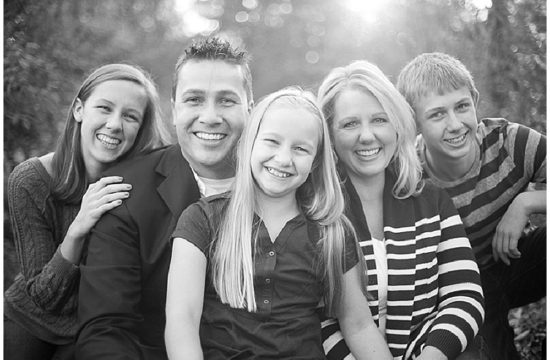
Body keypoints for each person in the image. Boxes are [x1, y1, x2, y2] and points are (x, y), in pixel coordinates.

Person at [165, 87, 392, 360]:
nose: (284, 159)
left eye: (300, 148)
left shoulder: (331, 233)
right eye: (272, 142)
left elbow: (359, 326)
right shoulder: (202, 220)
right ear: (250, 142)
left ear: (316, 161)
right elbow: (182, 322)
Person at [76, 37, 253, 360]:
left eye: (226, 101)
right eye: (194, 99)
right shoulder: (126, 191)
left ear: (249, 109)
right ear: (174, 110)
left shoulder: (284, 185)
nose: (210, 116)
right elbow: (105, 331)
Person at [317, 61, 485, 360]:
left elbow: (464, 295)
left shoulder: (430, 200)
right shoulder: (316, 211)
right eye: (350, 123)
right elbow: (312, 318)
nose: (367, 136)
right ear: (329, 135)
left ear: (397, 124)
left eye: (379, 120)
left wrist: (431, 356)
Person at [4, 63, 168, 360]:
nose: (115, 124)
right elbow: (44, 297)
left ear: (140, 129)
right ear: (80, 110)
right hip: (32, 321)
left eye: (130, 116)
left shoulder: (141, 186)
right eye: (104, 108)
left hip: (95, 327)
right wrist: (80, 225)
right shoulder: (30, 180)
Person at [397, 52, 546, 360]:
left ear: (475, 100)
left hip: (519, 263)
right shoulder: (410, 179)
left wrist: (526, 202)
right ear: (414, 121)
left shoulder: (511, 142)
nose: (455, 124)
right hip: (461, 291)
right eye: (437, 114)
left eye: (462, 106)